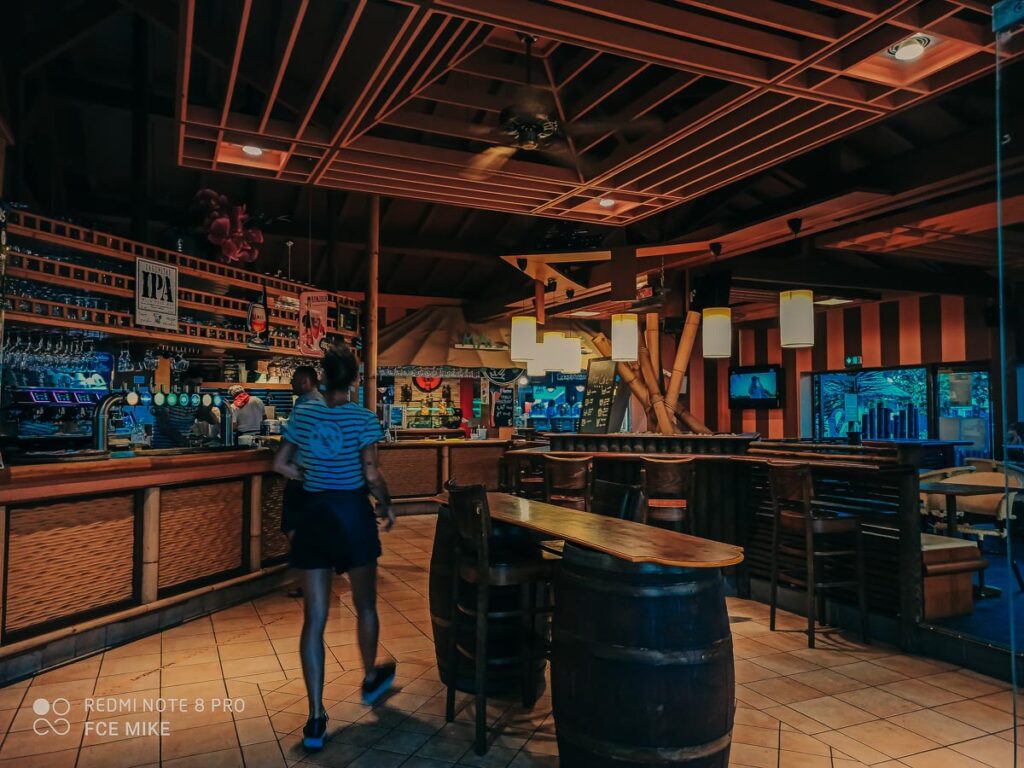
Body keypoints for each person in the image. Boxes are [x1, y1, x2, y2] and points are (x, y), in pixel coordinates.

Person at [272, 345, 397, 751]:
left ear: (322, 377)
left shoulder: (304, 413)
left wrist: (303, 471)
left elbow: (281, 465)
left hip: (314, 516)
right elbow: (371, 471)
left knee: (315, 619)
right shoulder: (364, 419)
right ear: (355, 379)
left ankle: (314, 719)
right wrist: (387, 503)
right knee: (366, 605)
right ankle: (370, 678)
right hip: (351, 517)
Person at [282, 366, 324, 599]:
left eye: (295, 380)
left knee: (292, 526)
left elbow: (290, 440)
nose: (291, 384)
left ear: (306, 381)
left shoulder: (306, 407)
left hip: (302, 477)